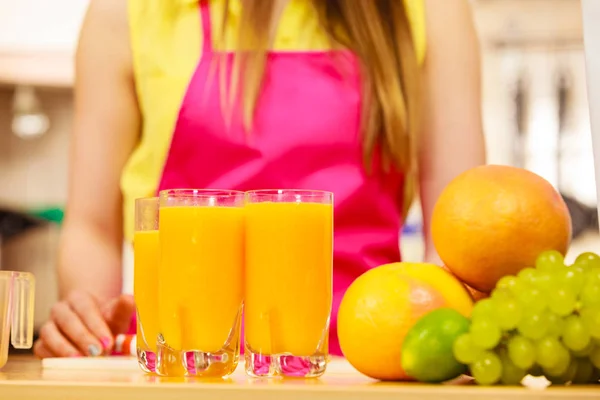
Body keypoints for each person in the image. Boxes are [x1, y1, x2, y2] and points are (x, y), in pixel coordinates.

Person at [34, 0, 485, 358]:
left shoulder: (427, 9)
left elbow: (462, 235)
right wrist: (87, 321)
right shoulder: (130, 11)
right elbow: (91, 228)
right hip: (182, 369)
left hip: (367, 368)